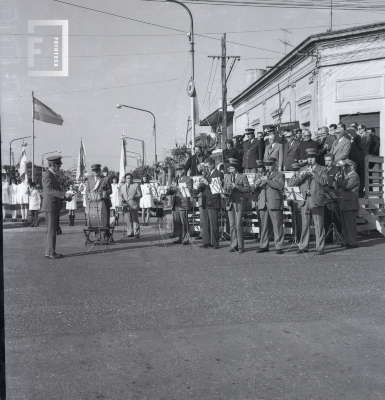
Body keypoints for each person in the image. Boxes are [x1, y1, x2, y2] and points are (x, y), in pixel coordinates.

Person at [292, 148, 328, 255]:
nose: (310, 160)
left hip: (316, 198)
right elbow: (295, 183)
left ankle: (320, 247)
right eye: (308, 158)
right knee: (305, 223)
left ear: (316, 158)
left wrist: (313, 173)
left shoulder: (322, 169)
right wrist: (301, 177)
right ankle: (304, 245)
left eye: (312, 157)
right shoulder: (303, 168)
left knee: (318, 224)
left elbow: (324, 182)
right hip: (305, 198)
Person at [41, 156, 73, 259]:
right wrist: (64, 195)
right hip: (51, 207)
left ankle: (49, 251)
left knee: (52, 230)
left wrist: (66, 198)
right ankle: (50, 252)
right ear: (54, 165)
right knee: (51, 230)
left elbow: (53, 192)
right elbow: (50, 190)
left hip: (53, 206)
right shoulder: (47, 175)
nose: (59, 167)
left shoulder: (52, 175)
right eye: (58, 165)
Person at [254, 157, 285, 254]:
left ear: (274, 165)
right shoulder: (261, 175)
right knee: (263, 225)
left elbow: (280, 186)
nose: (267, 167)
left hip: (274, 202)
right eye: (266, 165)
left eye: (269, 165)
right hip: (263, 202)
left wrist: (268, 180)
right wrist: (255, 186)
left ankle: (279, 246)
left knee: (277, 224)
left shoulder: (280, 175)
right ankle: (263, 245)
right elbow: (255, 190)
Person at [222, 158, 251, 253]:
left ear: (235, 168)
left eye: (231, 168)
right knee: (232, 225)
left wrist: (236, 186)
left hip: (238, 202)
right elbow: (225, 188)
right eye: (229, 168)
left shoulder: (242, 176)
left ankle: (241, 246)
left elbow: (247, 189)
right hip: (230, 202)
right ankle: (234, 244)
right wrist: (223, 192)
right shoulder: (227, 177)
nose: (230, 170)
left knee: (238, 224)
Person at [196, 157, 223, 249]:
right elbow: (203, 187)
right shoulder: (206, 174)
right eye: (205, 167)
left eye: (207, 166)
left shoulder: (219, 173)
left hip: (213, 200)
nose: (206, 168)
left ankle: (215, 243)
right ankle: (206, 242)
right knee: (205, 222)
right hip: (205, 200)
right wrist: (199, 186)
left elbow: (217, 187)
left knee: (213, 223)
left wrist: (207, 183)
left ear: (212, 165)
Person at [165, 164, 194, 245]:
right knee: (177, 221)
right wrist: (168, 190)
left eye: (178, 171)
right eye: (176, 171)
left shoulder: (188, 179)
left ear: (183, 171)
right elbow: (172, 191)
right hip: (175, 203)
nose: (177, 172)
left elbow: (189, 190)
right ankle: (178, 237)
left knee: (184, 221)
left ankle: (186, 238)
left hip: (183, 203)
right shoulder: (175, 180)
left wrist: (177, 187)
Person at [336, 159, 360, 248]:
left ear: (352, 167)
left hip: (350, 203)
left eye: (346, 166)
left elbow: (347, 186)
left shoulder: (353, 176)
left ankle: (352, 242)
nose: (344, 168)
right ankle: (347, 241)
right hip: (345, 203)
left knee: (350, 224)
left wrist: (338, 181)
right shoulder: (347, 176)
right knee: (345, 225)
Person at [85, 164, 112, 231]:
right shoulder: (89, 180)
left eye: (97, 170)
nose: (95, 171)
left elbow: (110, 190)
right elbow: (87, 192)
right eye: (94, 170)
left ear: (100, 170)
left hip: (104, 202)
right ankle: (95, 232)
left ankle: (107, 234)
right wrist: (87, 203)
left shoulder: (106, 179)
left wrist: (106, 192)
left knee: (105, 220)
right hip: (93, 203)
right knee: (94, 219)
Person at [323, 153, 343, 244]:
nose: (327, 162)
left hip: (333, 197)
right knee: (326, 219)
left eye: (329, 160)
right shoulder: (323, 170)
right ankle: (328, 238)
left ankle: (339, 238)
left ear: (333, 161)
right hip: (324, 197)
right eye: (326, 160)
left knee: (336, 218)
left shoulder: (337, 169)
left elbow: (338, 182)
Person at [120, 172, 142, 238]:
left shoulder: (136, 185)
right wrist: (121, 200)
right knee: (128, 219)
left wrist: (136, 196)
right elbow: (120, 195)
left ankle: (136, 233)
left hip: (133, 204)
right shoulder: (122, 186)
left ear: (132, 178)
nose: (129, 179)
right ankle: (130, 232)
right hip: (126, 205)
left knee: (134, 219)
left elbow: (140, 194)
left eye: (130, 178)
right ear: (125, 179)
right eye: (128, 178)